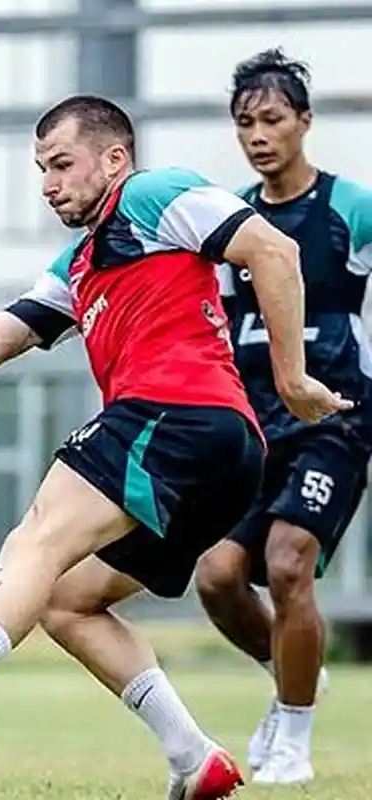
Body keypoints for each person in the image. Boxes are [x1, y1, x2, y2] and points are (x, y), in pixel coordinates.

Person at [0, 94, 350, 800]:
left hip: (177, 414)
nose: (48, 184)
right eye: (41, 169)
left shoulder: (153, 195)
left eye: (62, 164)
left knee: (37, 538)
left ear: (114, 158)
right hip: (218, 454)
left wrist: (292, 377)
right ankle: (192, 757)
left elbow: (272, 249)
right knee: (66, 599)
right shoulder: (82, 262)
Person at [194, 49, 372, 786]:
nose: (259, 135)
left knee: (288, 563)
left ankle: (292, 735)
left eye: (272, 119)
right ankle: (295, 675)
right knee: (216, 576)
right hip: (254, 423)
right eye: (245, 123)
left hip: (334, 419)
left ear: (304, 121)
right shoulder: (233, 223)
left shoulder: (349, 211)